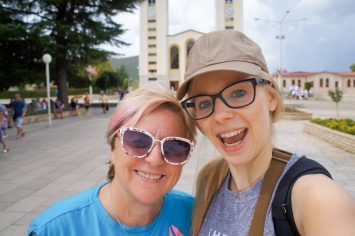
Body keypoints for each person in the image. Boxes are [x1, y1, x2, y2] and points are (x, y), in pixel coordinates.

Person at [177, 30, 355, 236]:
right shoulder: (210, 179)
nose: (220, 115)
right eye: (204, 103)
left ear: (271, 98)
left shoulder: (318, 198)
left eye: (238, 93)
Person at [28, 88, 197, 236]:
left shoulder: (195, 214)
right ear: (112, 148)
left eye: (174, 147)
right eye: (138, 141)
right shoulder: (56, 229)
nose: (155, 159)